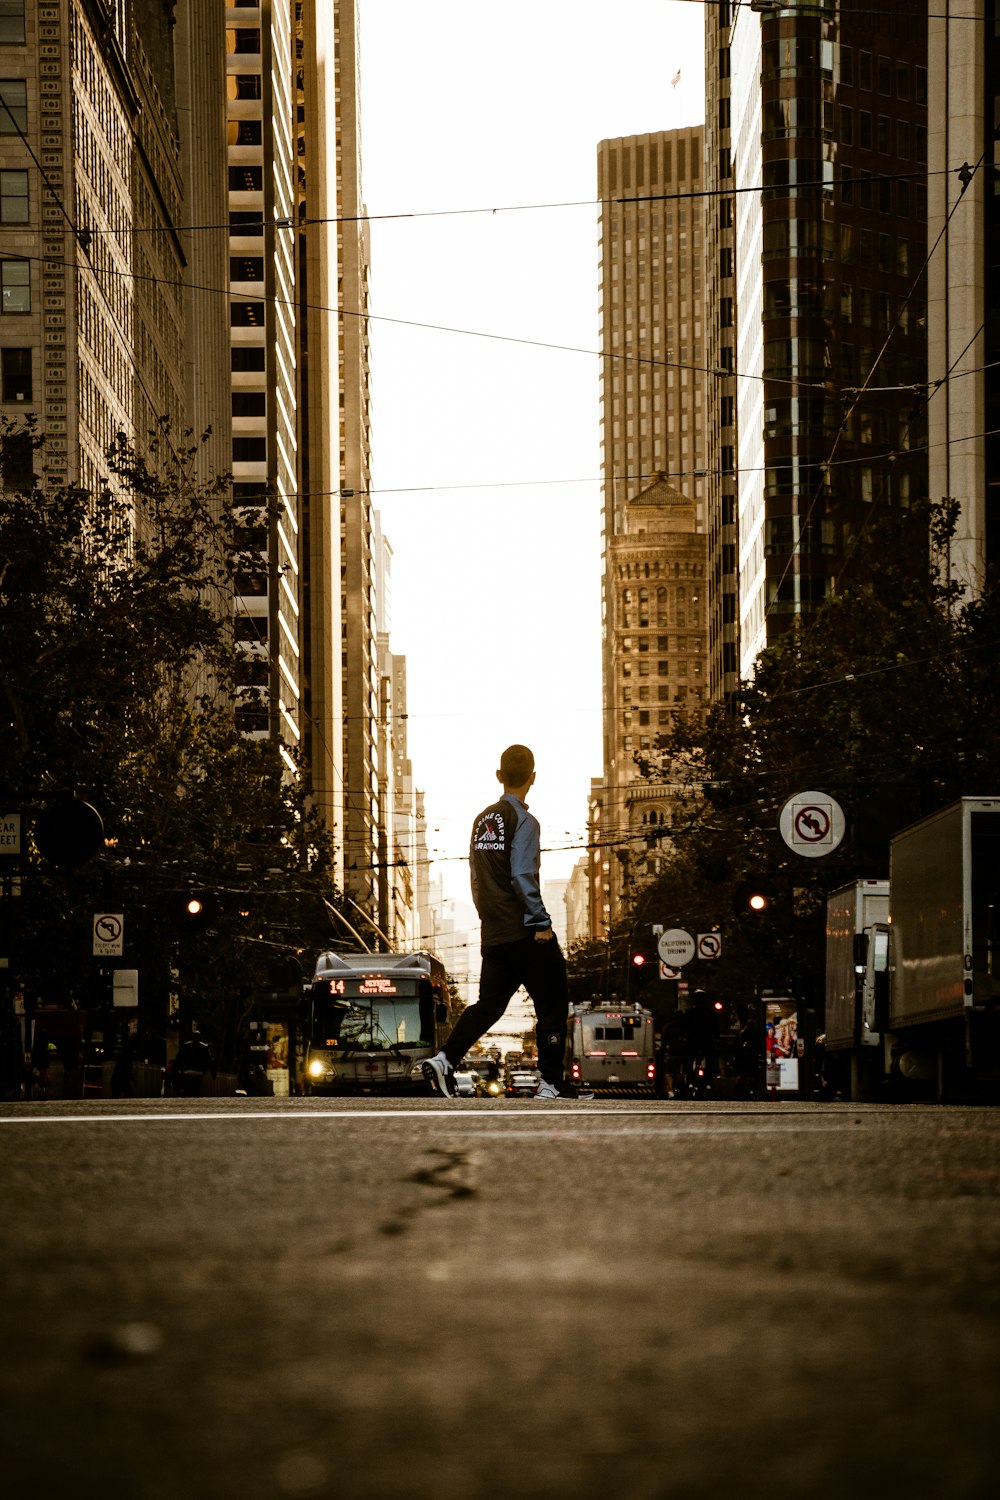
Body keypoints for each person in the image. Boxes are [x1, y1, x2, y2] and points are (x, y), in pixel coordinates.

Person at [423, 744, 593, 1102]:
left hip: (495, 933)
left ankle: (444, 1059)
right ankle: (550, 1083)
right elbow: (522, 874)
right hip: (526, 933)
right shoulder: (525, 821)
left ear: (499, 777)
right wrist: (540, 921)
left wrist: (489, 916)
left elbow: (475, 878)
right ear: (533, 778)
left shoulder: (482, 820)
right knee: (553, 1002)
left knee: (489, 1005)